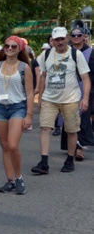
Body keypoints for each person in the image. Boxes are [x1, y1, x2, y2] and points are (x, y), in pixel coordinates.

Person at [32, 27, 91, 174]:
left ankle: (69, 160)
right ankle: (44, 163)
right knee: (45, 128)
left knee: (71, 130)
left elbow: (85, 78)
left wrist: (85, 98)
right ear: (52, 40)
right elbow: (43, 76)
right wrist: (40, 97)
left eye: (62, 39)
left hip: (70, 99)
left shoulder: (75, 54)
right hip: (49, 99)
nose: (59, 42)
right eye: (56, 39)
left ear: (67, 39)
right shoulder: (46, 54)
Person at [0, 36, 34, 194]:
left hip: (17, 107)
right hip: (0, 108)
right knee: (4, 146)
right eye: (7, 46)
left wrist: (29, 115)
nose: (9, 48)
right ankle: (10, 180)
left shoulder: (24, 67)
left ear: (19, 50)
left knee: (13, 145)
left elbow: (30, 93)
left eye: (13, 46)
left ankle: (19, 178)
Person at [68, 27, 94, 159]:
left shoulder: (90, 52)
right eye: (73, 35)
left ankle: (80, 148)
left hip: (85, 90)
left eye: (79, 35)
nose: (76, 37)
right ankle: (71, 146)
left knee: (83, 119)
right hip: (67, 91)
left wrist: (88, 94)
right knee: (69, 119)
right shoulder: (66, 51)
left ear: (84, 36)